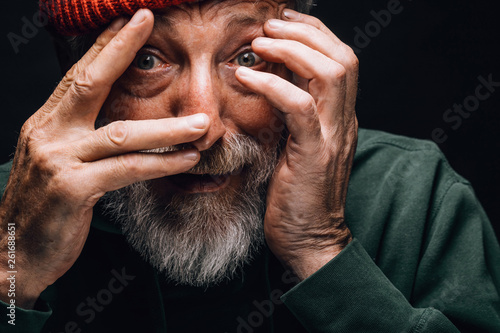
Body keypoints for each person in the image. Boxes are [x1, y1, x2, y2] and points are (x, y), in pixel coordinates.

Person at [0, 0, 498, 332]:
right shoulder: (14, 214)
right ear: (76, 73)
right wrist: (11, 275)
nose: (203, 123)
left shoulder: (413, 194)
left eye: (247, 57)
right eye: (147, 61)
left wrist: (319, 247)